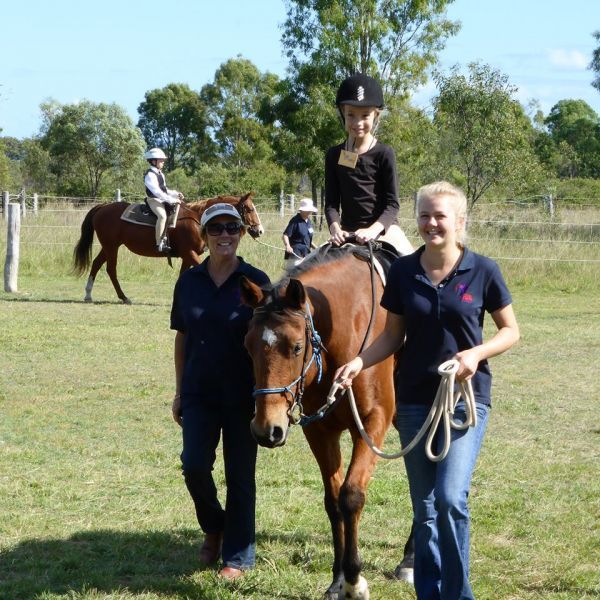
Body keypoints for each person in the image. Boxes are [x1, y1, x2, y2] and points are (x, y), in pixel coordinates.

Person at [335, 181, 520, 600]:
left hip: (463, 400)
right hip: (415, 401)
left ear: (459, 221)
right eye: (424, 215)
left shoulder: (483, 270)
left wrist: (476, 354)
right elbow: (392, 337)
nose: (431, 223)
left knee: (452, 499)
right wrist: (360, 362)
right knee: (426, 510)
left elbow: (511, 331)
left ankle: (459, 595)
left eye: (440, 215)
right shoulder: (403, 272)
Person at [170, 202, 270, 580]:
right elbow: (182, 336)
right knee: (194, 465)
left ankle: (238, 556)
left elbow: (271, 343)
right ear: (205, 235)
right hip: (198, 391)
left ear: (242, 234)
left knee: (240, 476)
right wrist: (179, 391)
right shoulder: (189, 281)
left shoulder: (257, 280)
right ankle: (214, 526)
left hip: (244, 395)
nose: (224, 235)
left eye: (232, 228)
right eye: (216, 229)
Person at [325, 73, 413, 255]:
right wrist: (335, 229)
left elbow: (393, 205)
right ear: (342, 113)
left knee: (413, 273)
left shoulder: (384, 153)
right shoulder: (334, 155)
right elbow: (331, 204)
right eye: (351, 115)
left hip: (384, 232)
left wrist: (373, 230)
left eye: (365, 115)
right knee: (304, 267)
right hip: (346, 233)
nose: (358, 123)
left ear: (376, 115)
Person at [144, 147, 184, 253]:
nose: (163, 162)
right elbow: (157, 192)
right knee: (162, 216)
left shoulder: (160, 174)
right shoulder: (150, 175)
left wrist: (176, 194)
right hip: (153, 200)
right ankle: (159, 244)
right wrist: (171, 200)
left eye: (163, 160)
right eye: (161, 160)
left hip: (162, 199)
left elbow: (165, 190)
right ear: (153, 161)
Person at [282, 197, 318, 265]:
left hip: (306, 253)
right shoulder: (295, 221)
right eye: (307, 210)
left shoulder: (309, 221)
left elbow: (307, 238)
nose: (309, 212)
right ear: (301, 210)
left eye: (310, 210)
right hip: (295, 254)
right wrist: (288, 246)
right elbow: (285, 235)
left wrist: (316, 248)